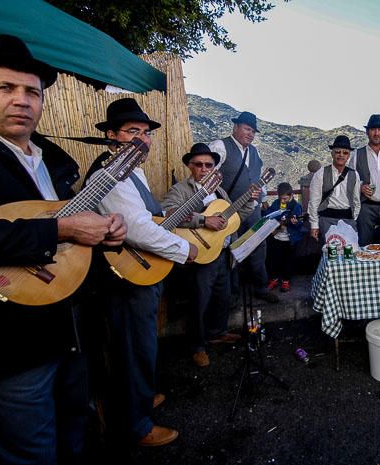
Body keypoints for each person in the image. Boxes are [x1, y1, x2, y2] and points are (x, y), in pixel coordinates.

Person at [0, 34, 127, 464]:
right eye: (7, 88)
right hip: (10, 342)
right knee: (31, 453)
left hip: (72, 327)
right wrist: (61, 229)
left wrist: (104, 234)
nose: (21, 100)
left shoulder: (54, 160)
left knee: (74, 434)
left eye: (32, 92)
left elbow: (73, 234)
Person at [89, 98, 197, 447]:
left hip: (141, 275)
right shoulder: (109, 174)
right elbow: (137, 229)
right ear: (111, 135)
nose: (143, 139)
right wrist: (184, 248)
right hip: (125, 280)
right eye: (133, 131)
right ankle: (136, 426)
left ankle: (141, 397)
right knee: (134, 349)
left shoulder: (131, 171)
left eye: (146, 133)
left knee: (142, 345)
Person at [160, 143, 252, 367]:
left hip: (220, 252)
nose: (203, 169)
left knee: (223, 295)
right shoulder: (181, 189)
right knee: (199, 302)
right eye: (198, 165)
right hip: (199, 254)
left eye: (208, 165)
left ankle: (217, 332)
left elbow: (232, 217)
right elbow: (166, 214)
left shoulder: (219, 192)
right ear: (190, 167)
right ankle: (197, 347)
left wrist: (249, 200)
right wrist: (203, 220)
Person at [208, 111, 278, 303]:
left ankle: (261, 288)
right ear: (236, 127)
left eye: (253, 131)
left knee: (258, 245)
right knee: (230, 250)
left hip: (252, 209)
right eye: (247, 129)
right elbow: (205, 176)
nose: (250, 134)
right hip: (227, 211)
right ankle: (232, 294)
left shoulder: (255, 152)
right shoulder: (219, 147)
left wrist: (262, 199)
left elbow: (258, 180)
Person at [350, 114, 380, 246]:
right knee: (364, 243)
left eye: (379, 129)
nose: (376, 133)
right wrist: (360, 187)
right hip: (366, 207)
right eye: (373, 129)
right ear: (367, 132)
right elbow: (350, 180)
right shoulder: (357, 154)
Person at [308, 135, 361, 243]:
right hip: (326, 221)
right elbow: (314, 201)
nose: (341, 155)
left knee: (349, 253)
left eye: (345, 153)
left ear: (348, 156)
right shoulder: (320, 174)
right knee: (328, 253)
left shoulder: (354, 175)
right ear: (332, 153)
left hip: (348, 221)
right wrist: (314, 225)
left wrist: (353, 220)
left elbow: (356, 201)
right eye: (338, 152)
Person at [265, 182, 304, 292]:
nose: (283, 201)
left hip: (290, 239)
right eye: (281, 198)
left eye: (285, 199)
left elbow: (300, 224)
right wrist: (275, 223)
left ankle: (286, 281)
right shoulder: (276, 203)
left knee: (288, 261)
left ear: (291, 195)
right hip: (277, 236)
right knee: (274, 260)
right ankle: (274, 279)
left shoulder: (296, 207)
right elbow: (268, 215)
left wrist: (295, 222)